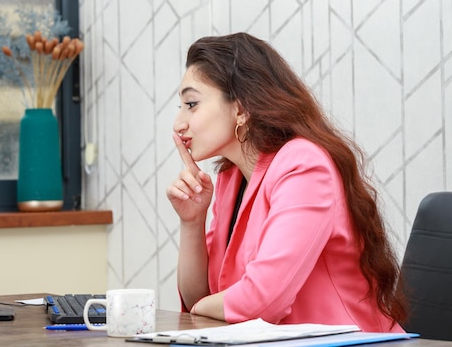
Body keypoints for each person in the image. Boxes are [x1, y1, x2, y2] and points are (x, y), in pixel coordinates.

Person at [166, 32, 407, 332]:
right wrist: (192, 221)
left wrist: (208, 306)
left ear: (240, 108)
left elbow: (262, 302)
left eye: (191, 104)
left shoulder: (303, 166)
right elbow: (201, 299)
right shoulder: (230, 179)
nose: (179, 124)